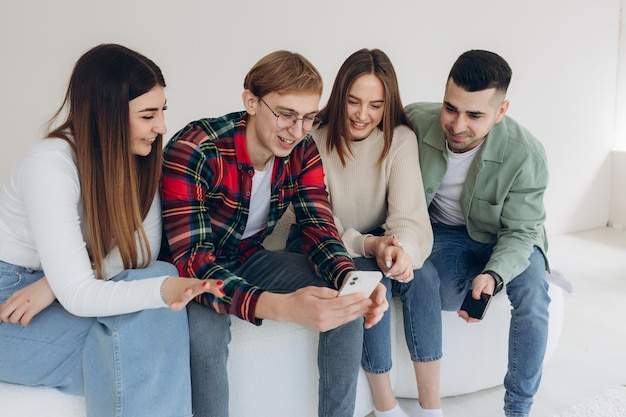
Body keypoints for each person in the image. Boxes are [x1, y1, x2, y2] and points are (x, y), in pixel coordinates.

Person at [159, 50, 388, 417]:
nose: (296, 132)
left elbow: (318, 225)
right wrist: (280, 306)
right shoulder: (195, 149)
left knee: (343, 300)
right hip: (189, 273)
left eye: (308, 118)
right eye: (285, 115)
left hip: (248, 257)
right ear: (251, 101)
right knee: (206, 338)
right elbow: (195, 263)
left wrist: (350, 277)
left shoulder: (302, 150)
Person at [0, 43, 224, 417]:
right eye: (148, 115)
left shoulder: (138, 159)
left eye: (162, 111)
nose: (162, 127)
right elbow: (81, 295)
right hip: (10, 304)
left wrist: (55, 284)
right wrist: (67, 286)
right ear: (106, 114)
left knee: (157, 283)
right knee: (147, 341)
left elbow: (143, 252)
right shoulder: (50, 166)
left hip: (57, 290)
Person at [284, 48, 444, 417]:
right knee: (372, 282)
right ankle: (385, 405)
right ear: (339, 98)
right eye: (353, 102)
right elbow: (317, 221)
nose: (362, 115)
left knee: (424, 275)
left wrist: (401, 250)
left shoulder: (400, 139)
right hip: (320, 237)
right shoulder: (313, 141)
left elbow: (410, 217)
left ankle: (430, 408)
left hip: (376, 237)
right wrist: (368, 244)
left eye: (375, 105)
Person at [404, 49, 550, 417]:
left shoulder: (527, 154)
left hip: (509, 238)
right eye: (451, 108)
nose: (457, 125)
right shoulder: (415, 122)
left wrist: (494, 274)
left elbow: (520, 233)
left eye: (475, 115)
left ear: (501, 112)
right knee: (442, 291)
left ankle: (518, 408)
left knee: (533, 295)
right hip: (446, 234)